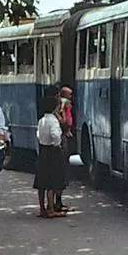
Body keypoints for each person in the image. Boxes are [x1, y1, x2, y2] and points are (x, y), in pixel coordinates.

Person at [34, 96, 67, 218]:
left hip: (43, 150)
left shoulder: (41, 120)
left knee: (41, 182)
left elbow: (38, 135)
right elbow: (55, 136)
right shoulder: (53, 120)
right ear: (55, 107)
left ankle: (42, 209)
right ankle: (51, 209)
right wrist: (56, 144)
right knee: (52, 182)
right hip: (52, 152)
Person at [55, 85, 74, 213]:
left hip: (62, 138)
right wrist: (67, 129)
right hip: (62, 140)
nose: (71, 97)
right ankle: (57, 203)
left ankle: (58, 202)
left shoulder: (60, 105)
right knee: (61, 171)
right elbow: (66, 121)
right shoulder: (64, 105)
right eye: (70, 95)